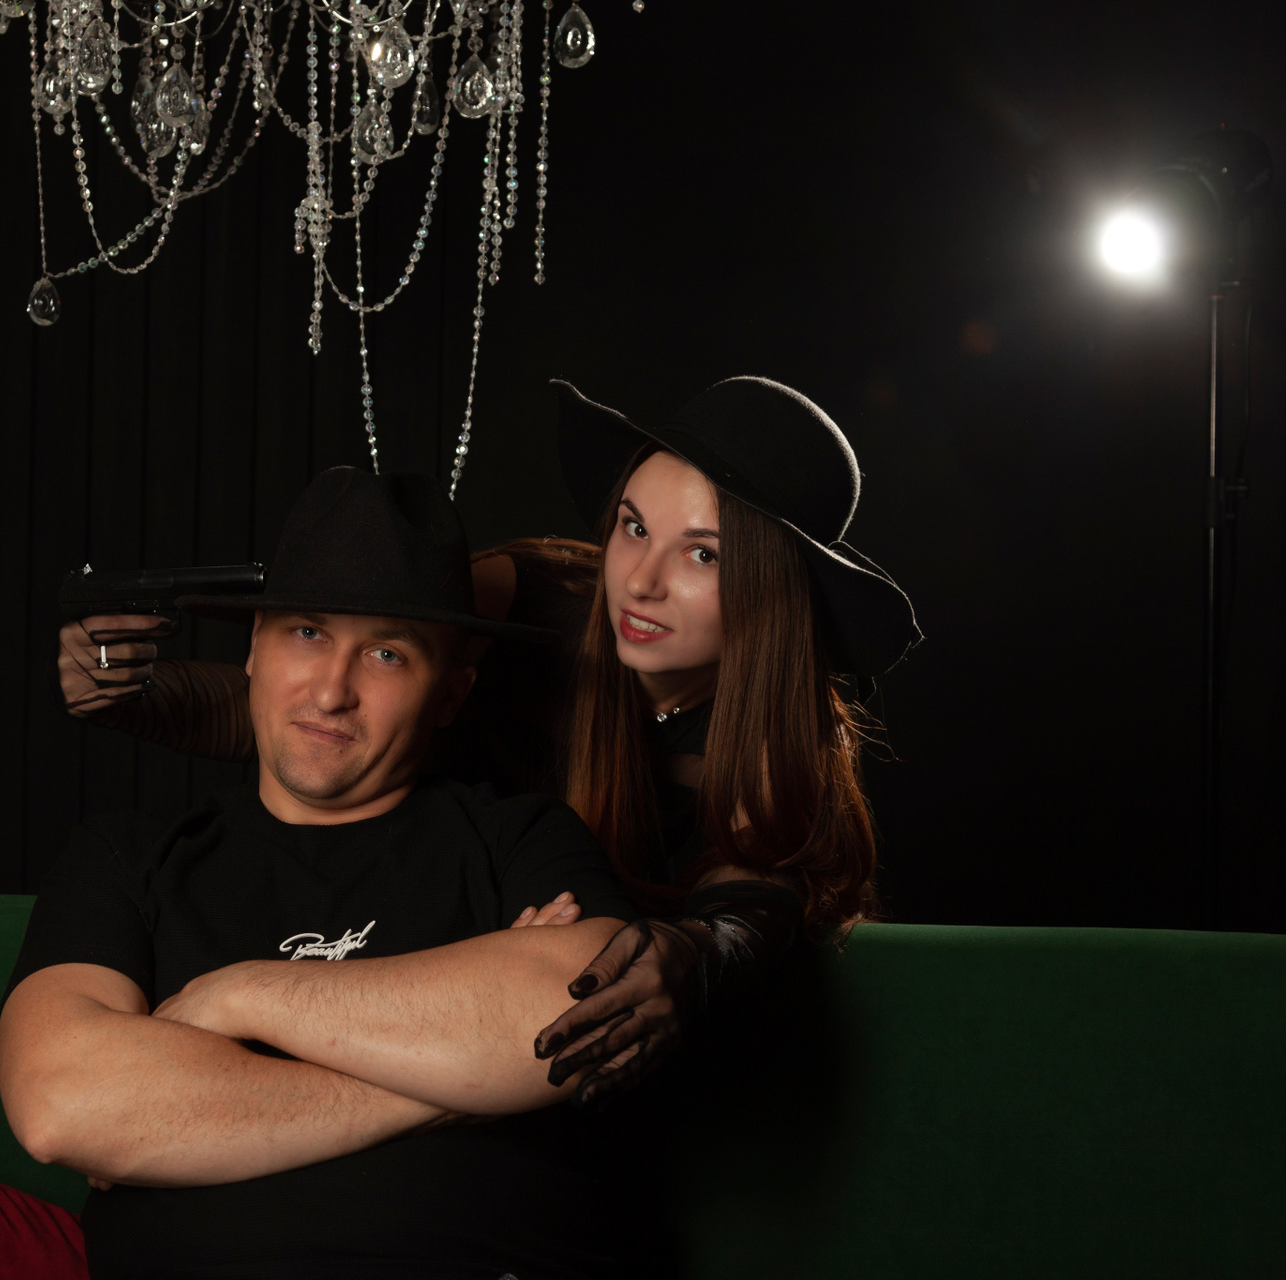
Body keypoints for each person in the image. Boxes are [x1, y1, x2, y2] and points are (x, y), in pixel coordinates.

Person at [58, 377, 920, 1105]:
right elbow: (337, 697)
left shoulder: (773, 739)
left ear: (774, 590)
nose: (642, 581)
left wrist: (690, 957)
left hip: (547, 1023)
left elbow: (753, 903)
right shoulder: (525, 597)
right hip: (397, 933)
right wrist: (136, 692)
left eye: (704, 556)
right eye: (633, 526)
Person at [0, 466, 656, 1280]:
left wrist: (238, 997)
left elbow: (580, 1013)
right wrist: (463, 1082)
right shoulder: (126, 857)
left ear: (451, 695)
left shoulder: (518, 838)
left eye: (386, 653)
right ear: (254, 646)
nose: (333, 690)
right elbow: (63, 1101)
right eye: (308, 633)